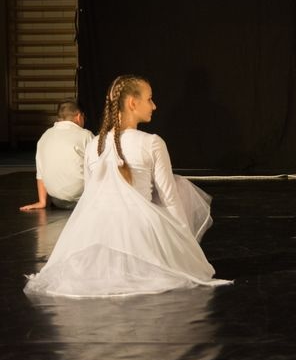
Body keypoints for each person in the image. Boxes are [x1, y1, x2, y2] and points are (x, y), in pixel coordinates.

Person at [24, 75, 231, 297]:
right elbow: (170, 199)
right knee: (179, 185)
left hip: (98, 237)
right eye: (149, 99)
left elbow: (90, 197)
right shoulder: (152, 142)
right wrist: (185, 247)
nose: (154, 105)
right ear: (132, 103)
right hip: (140, 235)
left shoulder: (94, 144)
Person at [20, 100, 93, 211]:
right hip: (84, 200)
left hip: (58, 201)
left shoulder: (44, 136)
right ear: (79, 116)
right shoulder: (85, 135)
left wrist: (42, 201)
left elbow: (40, 172)